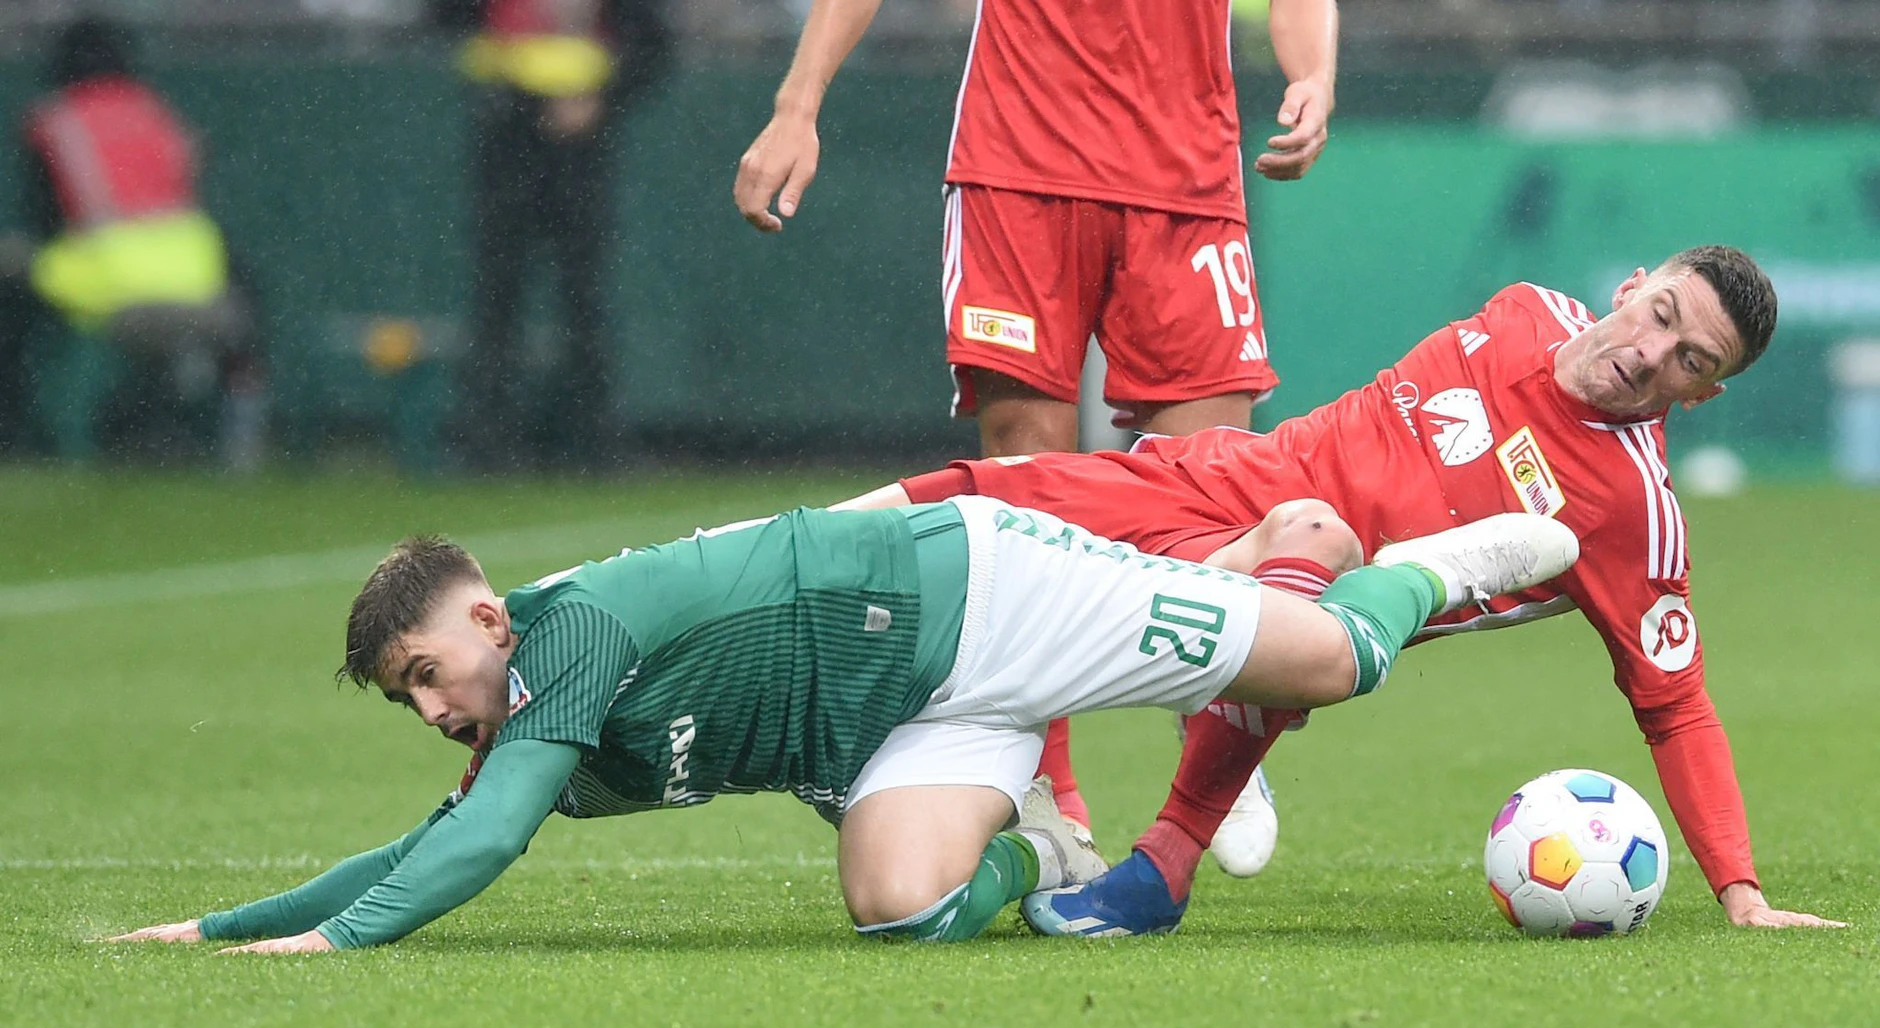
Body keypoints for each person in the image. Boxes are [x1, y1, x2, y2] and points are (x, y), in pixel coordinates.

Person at [842, 245, 1848, 934]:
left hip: (1323, 594)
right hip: (1241, 473)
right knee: (1015, 500)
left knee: (1265, 631)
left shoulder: (1631, 509)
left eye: (1687, 361)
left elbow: (1673, 700)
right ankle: (796, 549)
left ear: (1701, 393)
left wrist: (1738, 887)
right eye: (1659, 315)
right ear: (1632, 284)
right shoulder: (1523, 307)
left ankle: (1161, 860)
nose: (1647, 352)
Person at [105, 497, 1577, 952]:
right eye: (406, 696)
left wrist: (337, 951)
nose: (429, 709)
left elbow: (477, 842)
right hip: (898, 730)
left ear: (489, 625)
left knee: (1325, 665)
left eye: (427, 672)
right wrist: (227, 931)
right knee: (901, 912)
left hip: (979, 600)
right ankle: (1048, 848)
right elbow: (429, 839)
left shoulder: (576, 631)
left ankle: (1428, 562)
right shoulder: (525, 721)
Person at [735, 0, 1340, 849]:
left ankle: (1215, 726)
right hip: (1017, 163)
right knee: (1026, 486)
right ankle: (1045, 785)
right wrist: (797, 107)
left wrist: (1314, 76)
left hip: (1186, 174)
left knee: (1216, 481)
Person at [0, 16, 265, 468]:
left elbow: (44, 218)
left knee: (13, 273)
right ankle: (239, 431)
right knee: (248, 296)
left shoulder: (55, 120)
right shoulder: (158, 114)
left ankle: (20, 428)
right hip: (196, 279)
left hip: (107, 278)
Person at [431, 0, 671, 472]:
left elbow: (655, 49)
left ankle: (593, 445)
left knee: (582, 302)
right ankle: (486, 443)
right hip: (506, 138)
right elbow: (446, 21)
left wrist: (602, 97)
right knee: (498, 302)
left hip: (578, 153)